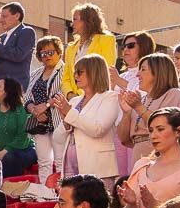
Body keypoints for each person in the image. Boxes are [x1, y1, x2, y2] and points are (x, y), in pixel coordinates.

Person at [51, 53, 120, 188]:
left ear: (94, 72)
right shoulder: (75, 100)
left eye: (80, 72)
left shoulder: (110, 97)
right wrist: (66, 121)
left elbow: (98, 129)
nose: (76, 76)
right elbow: (57, 139)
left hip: (98, 170)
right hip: (71, 169)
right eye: (75, 72)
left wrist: (70, 113)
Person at [119, 53, 180, 164]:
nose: (137, 74)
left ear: (158, 73)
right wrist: (126, 113)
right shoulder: (143, 99)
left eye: (143, 70)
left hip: (162, 160)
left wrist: (138, 107)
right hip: (138, 159)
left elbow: (164, 125)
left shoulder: (173, 94)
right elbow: (123, 139)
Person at [111, 31, 156, 176]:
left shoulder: (150, 73)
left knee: (135, 174)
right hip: (119, 130)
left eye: (131, 46)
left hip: (137, 132)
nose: (125, 50)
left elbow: (141, 95)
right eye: (123, 46)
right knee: (121, 176)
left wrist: (118, 81)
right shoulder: (122, 75)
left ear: (143, 47)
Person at [26, 35, 65, 181]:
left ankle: (61, 193)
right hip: (39, 123)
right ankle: (45, 193)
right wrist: (34, 110)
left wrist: (46, 105)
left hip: (57, 120)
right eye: (43, 53)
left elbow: (64, 93)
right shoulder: (35, 73)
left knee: (60, 161)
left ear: (59, 52)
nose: (47, 56)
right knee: (44, 162)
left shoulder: (65, 70)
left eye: (51, 52)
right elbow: (27, 96)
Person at [62, 3, 117, 100]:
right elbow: (65, 79)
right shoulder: (70, 48)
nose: (71, 24)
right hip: (74, 102)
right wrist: (70, 95)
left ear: (87, 21)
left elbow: (105, 72)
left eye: (75, 19)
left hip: (96, 98)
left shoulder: (106, 40)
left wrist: (82, 95)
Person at [0, 77, 38, 177]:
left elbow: (23, 136)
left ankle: (7, 189)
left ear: (8, 90)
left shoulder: (21, 110)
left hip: (24, 150)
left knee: (9, 158)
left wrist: (5, 150)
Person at [0, 1, 35, 92]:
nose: (0, 20)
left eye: (4, 16)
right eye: (0, 16)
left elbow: (18, 55)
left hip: (15, 89)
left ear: (17, 16)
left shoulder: (26, 32)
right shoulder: (0, 38)